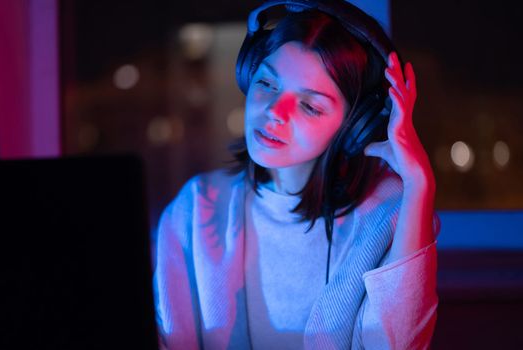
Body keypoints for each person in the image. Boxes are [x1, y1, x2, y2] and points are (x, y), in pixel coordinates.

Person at [153, 1, 439, 349]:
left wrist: (419, 185)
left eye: (309, 105)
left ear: (354, 127)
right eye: (268, 84)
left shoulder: (390, 213)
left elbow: (401, 345)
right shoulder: (195, 210)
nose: (274, 111)